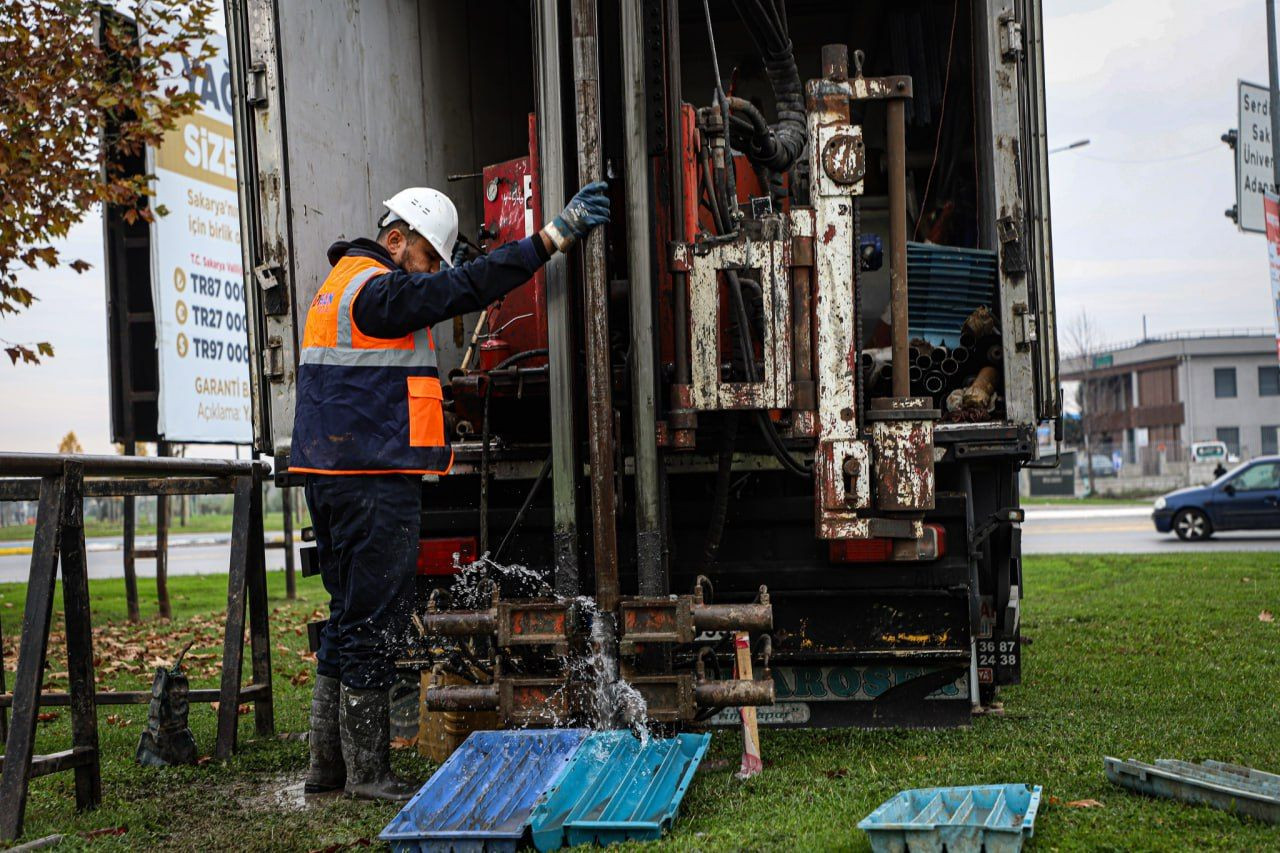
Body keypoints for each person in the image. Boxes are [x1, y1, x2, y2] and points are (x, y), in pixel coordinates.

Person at [290, 181, 610, 800]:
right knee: (372, 624)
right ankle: (367, 775)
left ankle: (326, 769)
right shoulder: (377, 291)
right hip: (372, 481)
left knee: (344, 618)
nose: (432, 273)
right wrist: (549, 239)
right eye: (428, 258)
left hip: (333, 479)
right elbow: (459, 289)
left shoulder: (338, 287)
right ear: (395, 240)